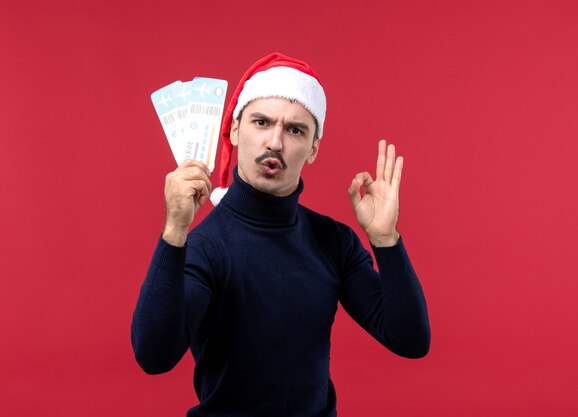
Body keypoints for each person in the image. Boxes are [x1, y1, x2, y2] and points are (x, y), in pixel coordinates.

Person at [131, 52, 430, 416]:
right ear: (236, 130)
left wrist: (387, 241)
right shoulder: (206, 247)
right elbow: (153, 355)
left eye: (295, 130)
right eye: (261, 122)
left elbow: (410, 340)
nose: (275, 142)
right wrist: (174, 232)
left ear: (314, 148)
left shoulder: (333, 241)